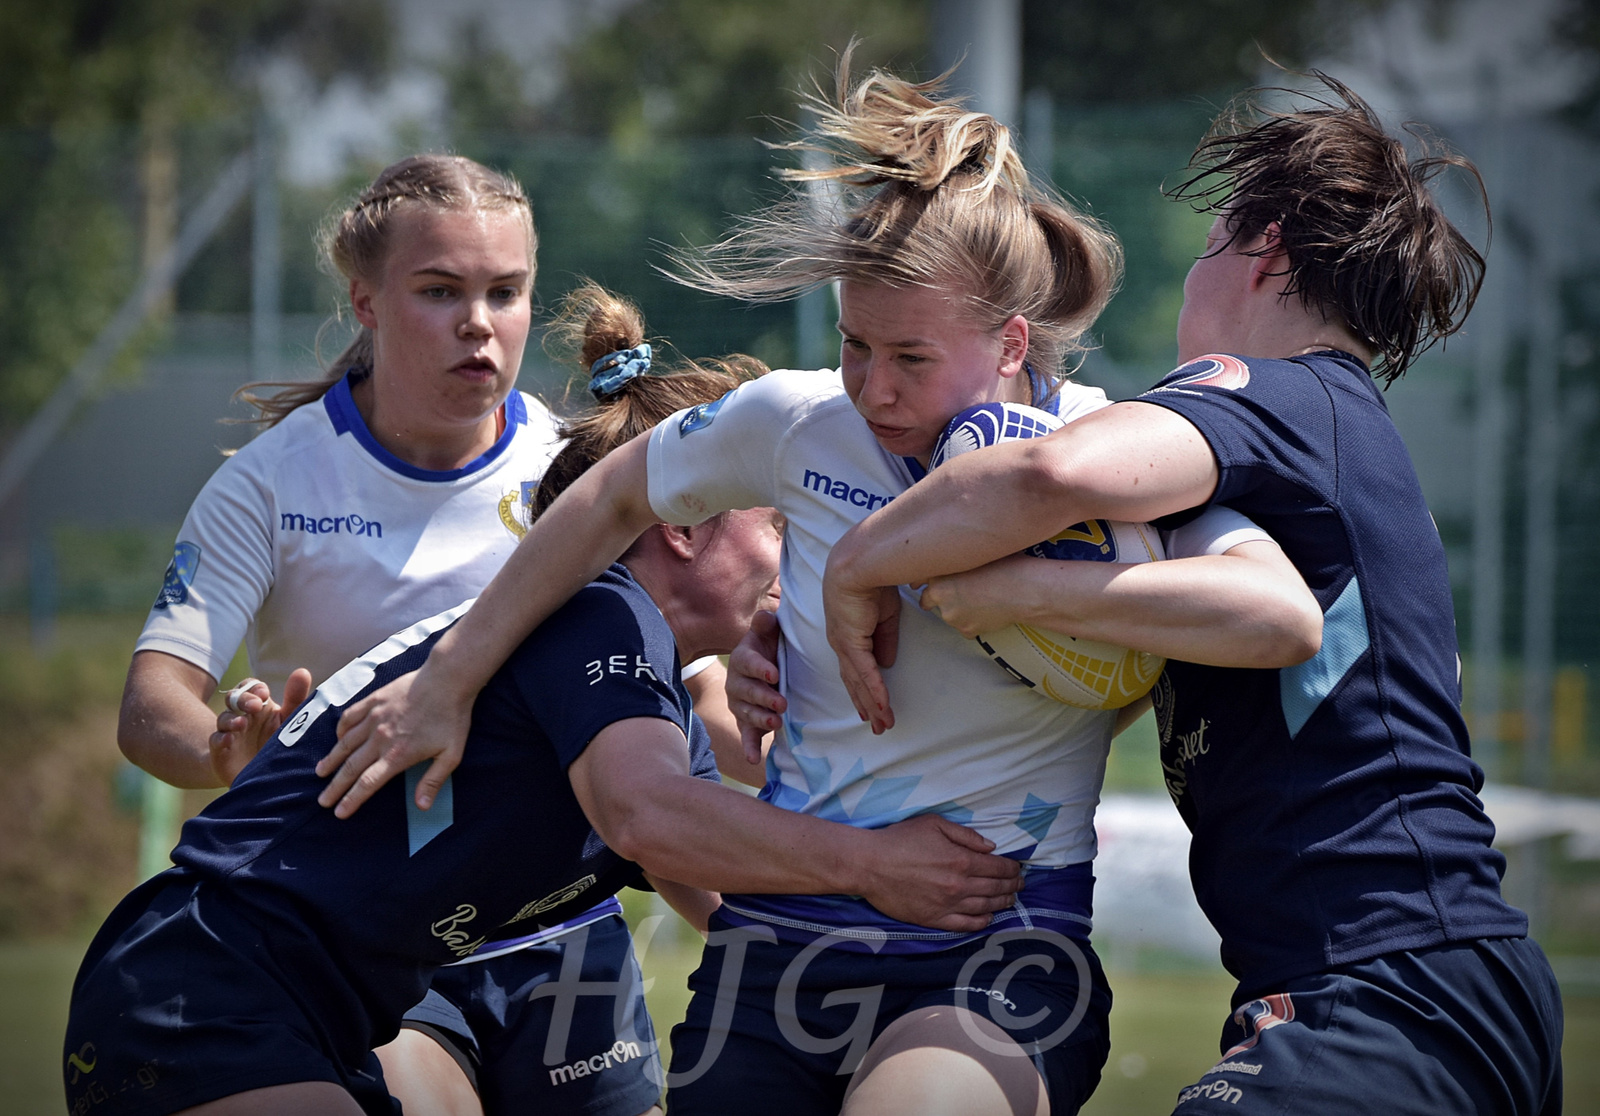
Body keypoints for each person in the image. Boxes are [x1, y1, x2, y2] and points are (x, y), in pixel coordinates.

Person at [316, 58, 1323, 1116]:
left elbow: (1271, 614)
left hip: (993, 956)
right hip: (776, 949)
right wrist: (453, 677)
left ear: (1010, 342)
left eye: (910, 357)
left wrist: (1021, 591)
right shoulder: (799, 423)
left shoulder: (1105, 456)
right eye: (853, 343)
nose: (873, 386)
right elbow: (607, 499)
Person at [805, 75, 1564, 1115]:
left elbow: (1048, 474)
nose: (1187, 285)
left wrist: (859, 563)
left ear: (1262, 251)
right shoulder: (1329, 446)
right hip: (1427, 975)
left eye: (1206, 245)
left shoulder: (1281, 391)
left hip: (1380, 986)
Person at [66, 299, 1022, 1116]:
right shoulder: (597, 617)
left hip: (280, 1007)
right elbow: (650, 819)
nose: (790, 557)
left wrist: (909, 950)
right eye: (776, 524)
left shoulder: (641, 694)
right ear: (684, 527)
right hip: (203, 987)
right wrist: (876, 864)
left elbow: (719, 883)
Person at [113, 155, 744, 1116]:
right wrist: (219, 750)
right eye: (441, 291)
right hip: (377, 927)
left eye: (507, 291)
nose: (478, 323)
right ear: (365, 302)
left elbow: (681, 696)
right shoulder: (274, 483)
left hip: (559, 927)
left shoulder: (583, 470)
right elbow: (152, 703)